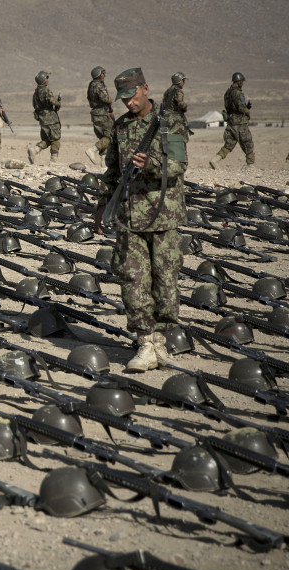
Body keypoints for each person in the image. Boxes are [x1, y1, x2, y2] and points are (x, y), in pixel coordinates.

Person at [95, 68, 188, 373]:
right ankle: (145, 342)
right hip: (129, 216)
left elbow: (178, 165)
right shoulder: (120, 128)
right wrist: (102, 206)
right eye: (123, 99)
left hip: (163, 215)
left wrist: (151, 164)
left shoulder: (169, 122)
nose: (128, 104)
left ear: (145, 88)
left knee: (165, 282)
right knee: (133, 280)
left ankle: (159, 341)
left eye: (132, 96)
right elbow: (111, 173)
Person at [210, 72, 254, 168]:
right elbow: (240, 108)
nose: (242, 83)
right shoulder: (238, 93)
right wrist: (247, 110)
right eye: (242, 81)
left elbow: (230, 107)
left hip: (231, 122)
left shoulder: (228, 93)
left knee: (229, 144)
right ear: (238, 81)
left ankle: (215, 160)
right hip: (240, 123)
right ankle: (250, 165)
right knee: (248, 143)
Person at [27, 70, 61, 164]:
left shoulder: (36, 93)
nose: (48, 79)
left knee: (47, 139)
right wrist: (58, 103)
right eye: (47, 78)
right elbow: (52, 100)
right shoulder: (45, 90)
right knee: (56, 138)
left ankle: (35, 150)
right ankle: (53, 161)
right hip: (50, 119)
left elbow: (35, 105)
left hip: (42, 119)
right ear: (43, 80)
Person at [85, 66, 114, 166]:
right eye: (103, 73)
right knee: (109, 136)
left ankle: (103, 163)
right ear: (100, 74)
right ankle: (93, 149)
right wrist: (110, 99)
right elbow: (105, 99)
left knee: (103, 137)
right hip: (102, 113)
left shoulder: (91, 85)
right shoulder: (98, 85)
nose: (104, 75)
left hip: (96, 113)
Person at [162, 72, 190, 142]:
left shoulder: (167, 91)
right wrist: (185, 107)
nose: (184, 82)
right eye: (183, 80)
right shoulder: (178, 91)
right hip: (175, 119)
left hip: (166, 117)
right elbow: (180, 103)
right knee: (180, 140)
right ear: (179, 81)